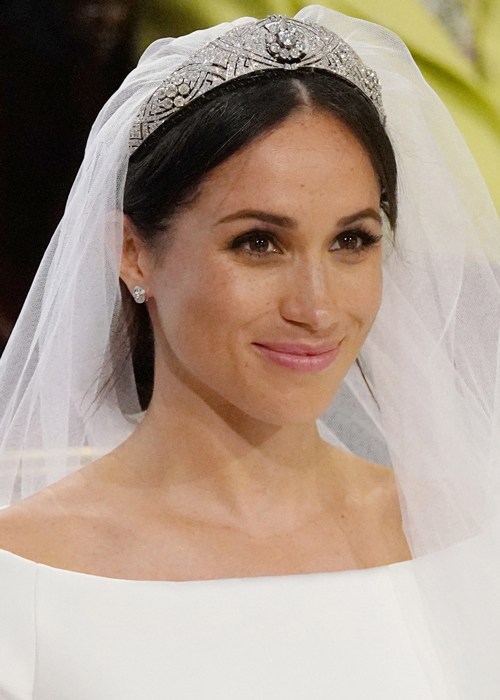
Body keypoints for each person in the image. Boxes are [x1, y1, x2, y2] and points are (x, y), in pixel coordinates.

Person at [0, 6, 499, 698]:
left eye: (352, 240)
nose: (317, 308)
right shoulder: (23, 576)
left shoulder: (465, 534)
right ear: (132, 252)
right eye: (258, 243)